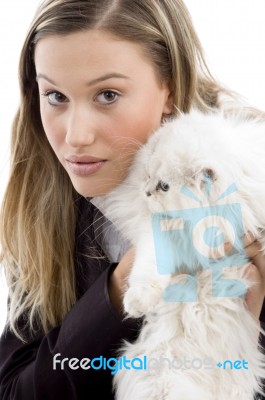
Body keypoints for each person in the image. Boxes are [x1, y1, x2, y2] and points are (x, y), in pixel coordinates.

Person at [0, 0, 264, 399]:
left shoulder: (247, 190)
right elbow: (13, 391)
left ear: (170, 89)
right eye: (55, 96)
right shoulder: (43, 203)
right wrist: (118, 290)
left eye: (107, 94)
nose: (76, 136)